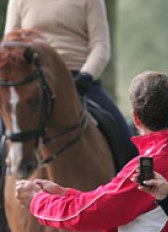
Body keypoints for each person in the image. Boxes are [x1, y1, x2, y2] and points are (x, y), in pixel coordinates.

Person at [15, 71, 168, 232]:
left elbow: (91, 214)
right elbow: (109, 200)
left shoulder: (148, 166)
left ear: (135, 117)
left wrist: (37, 201)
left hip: (85, 77)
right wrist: (63, 193)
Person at [4, 0, 138, 168]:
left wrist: (86, 76)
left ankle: (139, 185)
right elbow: (9, 45)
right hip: (32, 83)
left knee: (123, 136)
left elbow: (100, 46)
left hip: (79, 80)